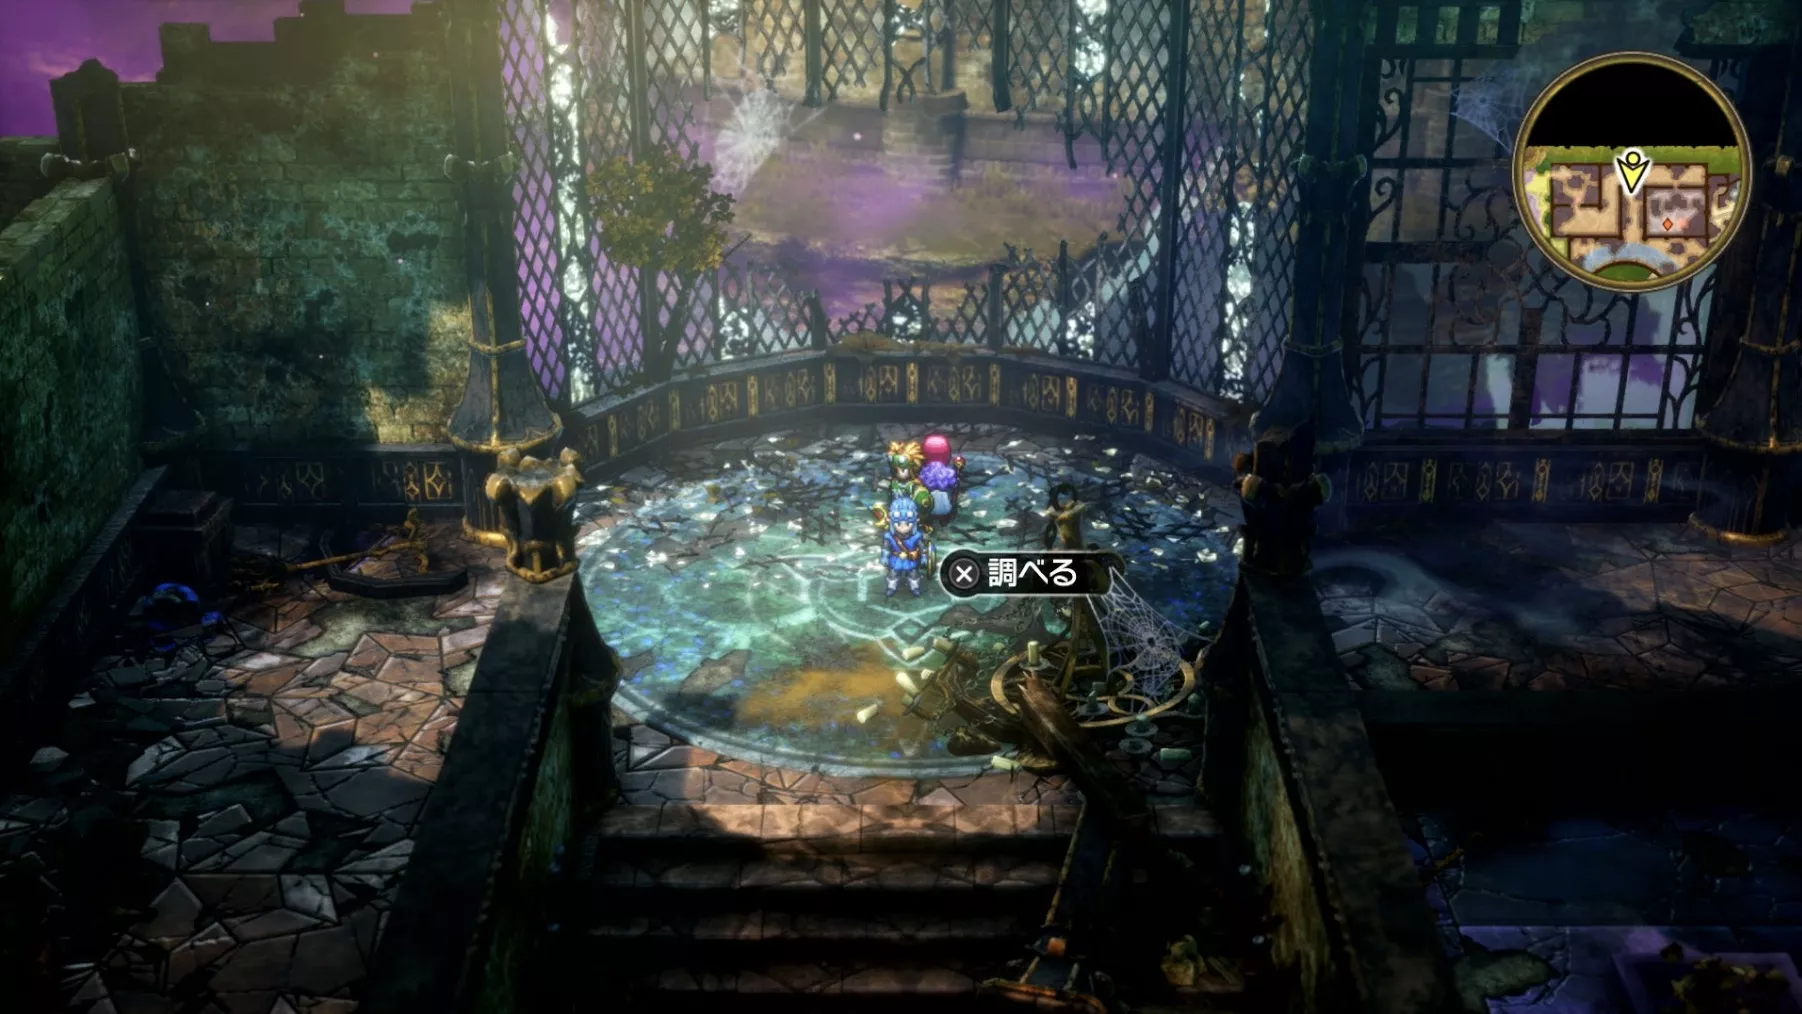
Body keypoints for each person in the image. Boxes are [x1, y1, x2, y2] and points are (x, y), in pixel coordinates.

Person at [878, 496, 932, 597]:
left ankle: (915, 587)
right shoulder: (889, 536)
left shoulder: (917, 536)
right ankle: (891, 587)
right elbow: (886, 548)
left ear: (915, 521)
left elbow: (923, 548)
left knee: (913, 573)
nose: (903, 527)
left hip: (910, 559)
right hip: (896, 559)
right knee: (893, 573)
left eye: (907, 524)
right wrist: (884, 556)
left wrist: (924, 556)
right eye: (899, 524)